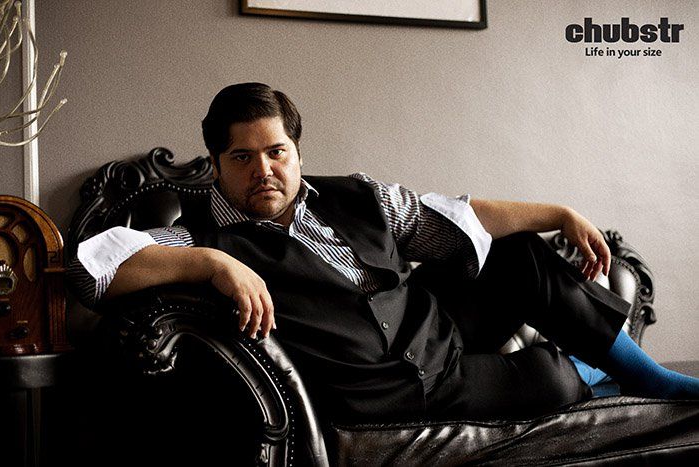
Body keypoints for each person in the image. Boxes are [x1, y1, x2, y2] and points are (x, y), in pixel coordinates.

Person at [68, 82, 699, 424]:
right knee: (551, 378)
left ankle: (648, 377)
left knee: (517, 254)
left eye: (276, 151)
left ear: (297, 151)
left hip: (434, 328)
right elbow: (87, 268)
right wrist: (214, 263)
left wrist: (560, 212)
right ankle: (598, 376)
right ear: (215, 164)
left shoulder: (355, 195)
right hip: (383, 382)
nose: (263, 169)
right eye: (241, 157)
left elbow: (460, 218)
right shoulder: (199, 234)